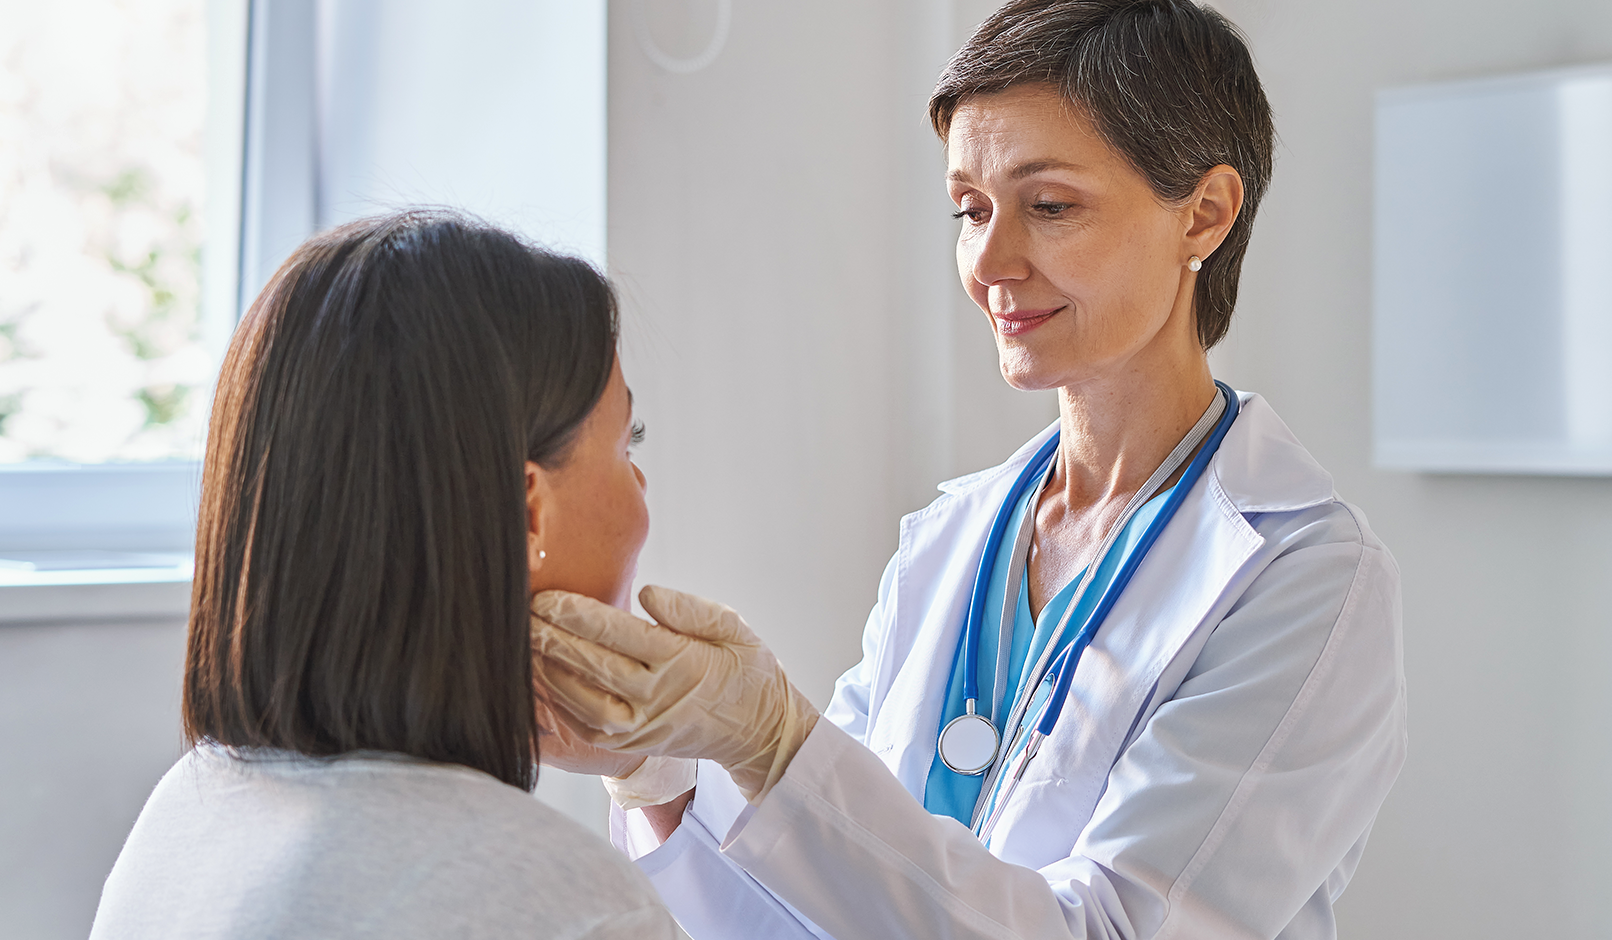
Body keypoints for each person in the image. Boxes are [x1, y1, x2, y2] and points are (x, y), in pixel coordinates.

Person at [528, 2, 1406, 938]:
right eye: (970, 209)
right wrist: (660, 776)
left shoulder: (1302, 577)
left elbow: (1115, 930)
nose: (989, 261)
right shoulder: (949, 541)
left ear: (1205, 215)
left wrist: (779, 744)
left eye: (1050, 206)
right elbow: (816, 913)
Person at [89, 212, 676, 940]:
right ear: (527, 514)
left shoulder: (186, 818)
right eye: (627, 445)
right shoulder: (566, 903)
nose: (641, 490)